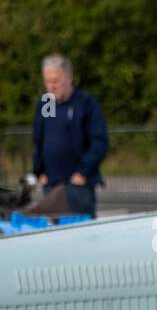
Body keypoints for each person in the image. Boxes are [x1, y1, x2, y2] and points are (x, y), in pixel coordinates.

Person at [31, 54, 109, 216]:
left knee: (80, 234)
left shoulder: (85, 103)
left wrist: (83, 173)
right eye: (48, 81)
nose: (51, 86)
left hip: (77, 186)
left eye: (56, 81)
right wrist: (39, 171)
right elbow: (39, 139)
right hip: (51, 185)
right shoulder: (47, 104)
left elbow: (99, 142)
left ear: (69, 79)